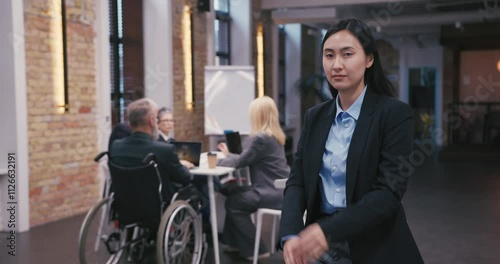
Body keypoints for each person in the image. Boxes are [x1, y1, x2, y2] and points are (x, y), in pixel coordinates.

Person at [279, 18, 424, 264]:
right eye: (329, 55)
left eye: (347, 54)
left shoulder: (393, 114)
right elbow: (297, 183)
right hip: (317, 246)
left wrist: (329, 230)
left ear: (369, 59)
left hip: (373, 244)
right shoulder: (315, 117)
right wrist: (290, 232)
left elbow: (388, 193)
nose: (337, 65)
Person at [217, 96, 290, 261]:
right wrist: (229, 155)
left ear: (258, 115)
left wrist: (218, 160)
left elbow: (241, 162)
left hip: (270, 192)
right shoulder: (273, 136)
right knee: (234, 194)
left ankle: (257, 250)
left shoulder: (260, 139)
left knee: (234, 203)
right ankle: (234, 244)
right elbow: (246, 158)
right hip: (279, 189)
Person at [109, 98, 194, 203]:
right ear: (151, 121)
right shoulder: (164, 150)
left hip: (124, 205)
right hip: (157, 206)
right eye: (157, 119)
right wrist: (183, 166)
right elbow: (185, 178)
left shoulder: (116, 146)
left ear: (130, 123)